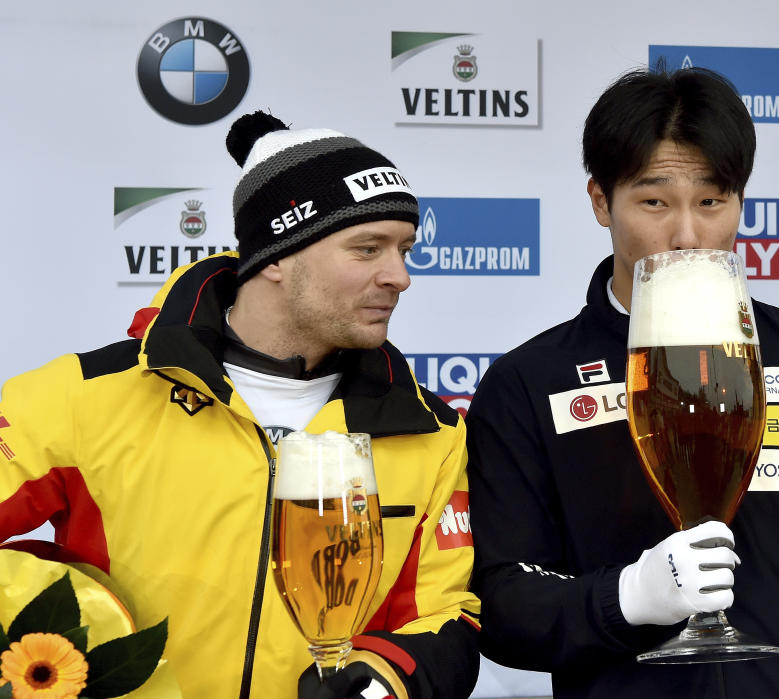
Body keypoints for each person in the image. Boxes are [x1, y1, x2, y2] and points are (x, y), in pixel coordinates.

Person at [465, 65, 779, 697]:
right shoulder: (527, 383)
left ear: (740, 203)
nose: (687, 234)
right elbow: (502, 607)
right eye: (654, 202)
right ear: (600, 202)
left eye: (711, 201)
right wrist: (629, 597)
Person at [0, 111, 480, 699]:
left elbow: (447, 613)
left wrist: (386, 678)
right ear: (275, 256)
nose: (400, 276)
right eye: (367, 248)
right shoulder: (85, 395)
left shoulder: (430, 430)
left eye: (404, 248)